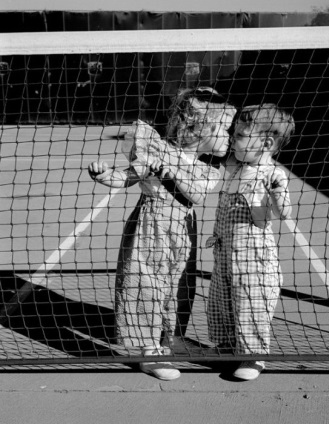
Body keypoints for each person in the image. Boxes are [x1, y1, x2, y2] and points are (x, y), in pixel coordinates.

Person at [88, 87, 236, 380]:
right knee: (146, 285)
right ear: (198, 129)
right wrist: (106, 175)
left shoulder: (209, 167)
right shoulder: (156, 149)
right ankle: (147, 350)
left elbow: (195, 194)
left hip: (182, 231)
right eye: (223, 129)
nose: (228, 136)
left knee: (178, 288)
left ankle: (170, 337)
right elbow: (127, 177)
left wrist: (169, 171)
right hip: (150, 227)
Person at [206, 103, 295, 381]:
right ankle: (227, 345)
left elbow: (283, 213)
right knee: (222, 300)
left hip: (252, 255)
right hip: (224, 250)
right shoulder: (236, 166)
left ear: (267, 143)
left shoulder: (273, 174)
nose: (234, 138)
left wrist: (277, 194)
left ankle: (253, 354)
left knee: (250, 301)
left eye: (241, 135)